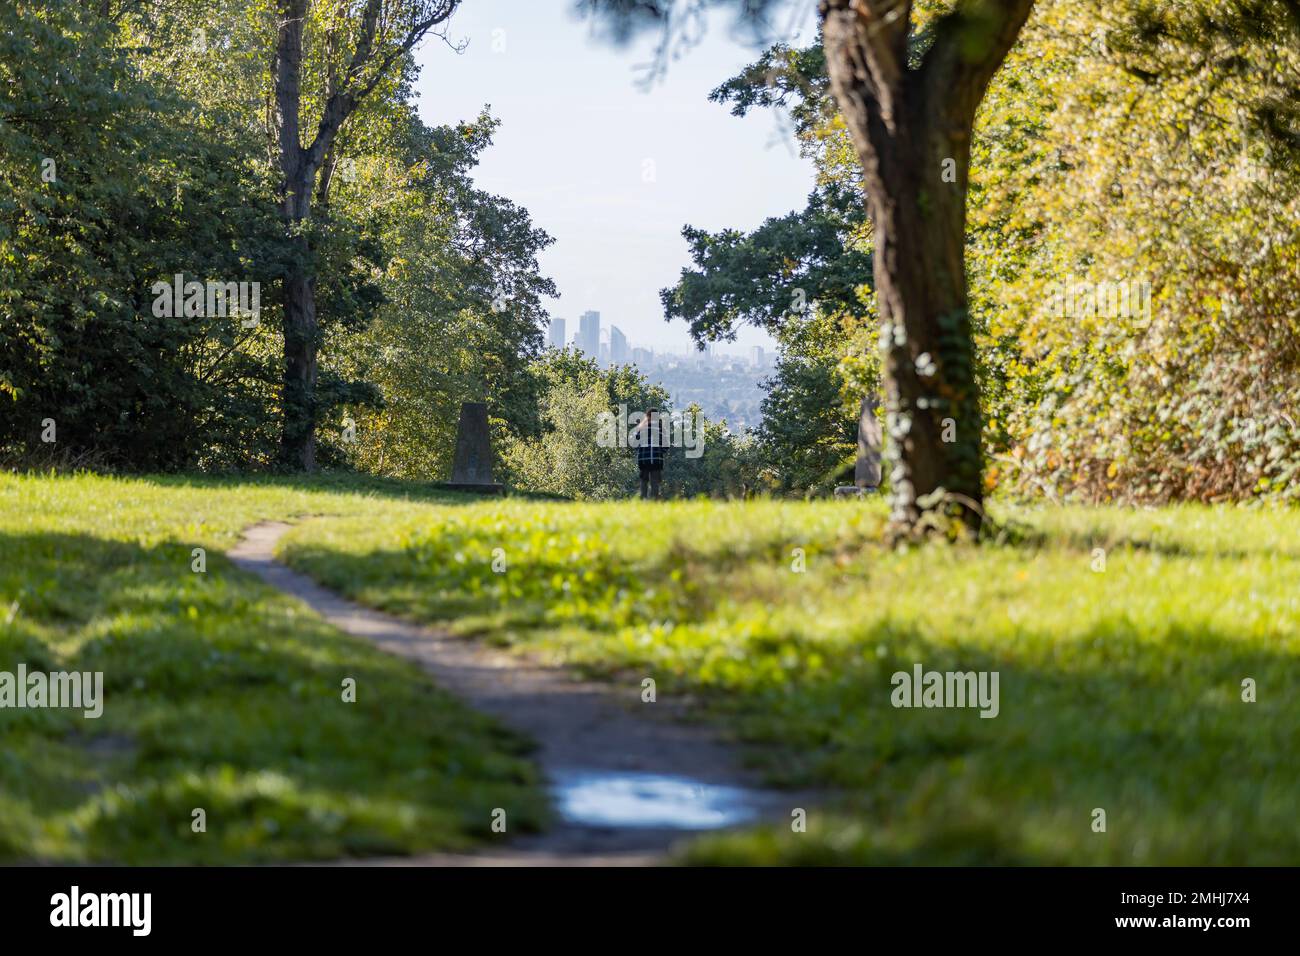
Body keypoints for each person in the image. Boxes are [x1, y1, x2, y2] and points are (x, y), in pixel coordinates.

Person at [634, 407, 667, 500]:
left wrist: (640, 451)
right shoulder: (661, 428)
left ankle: (643, 499)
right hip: (657, 459)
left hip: (643, 459)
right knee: (655, 481)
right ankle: (655, 500)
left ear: (647, 416)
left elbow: (635, 441)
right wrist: (660, 452)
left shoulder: (642, 427)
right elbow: (666, 445)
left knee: (644, 480)